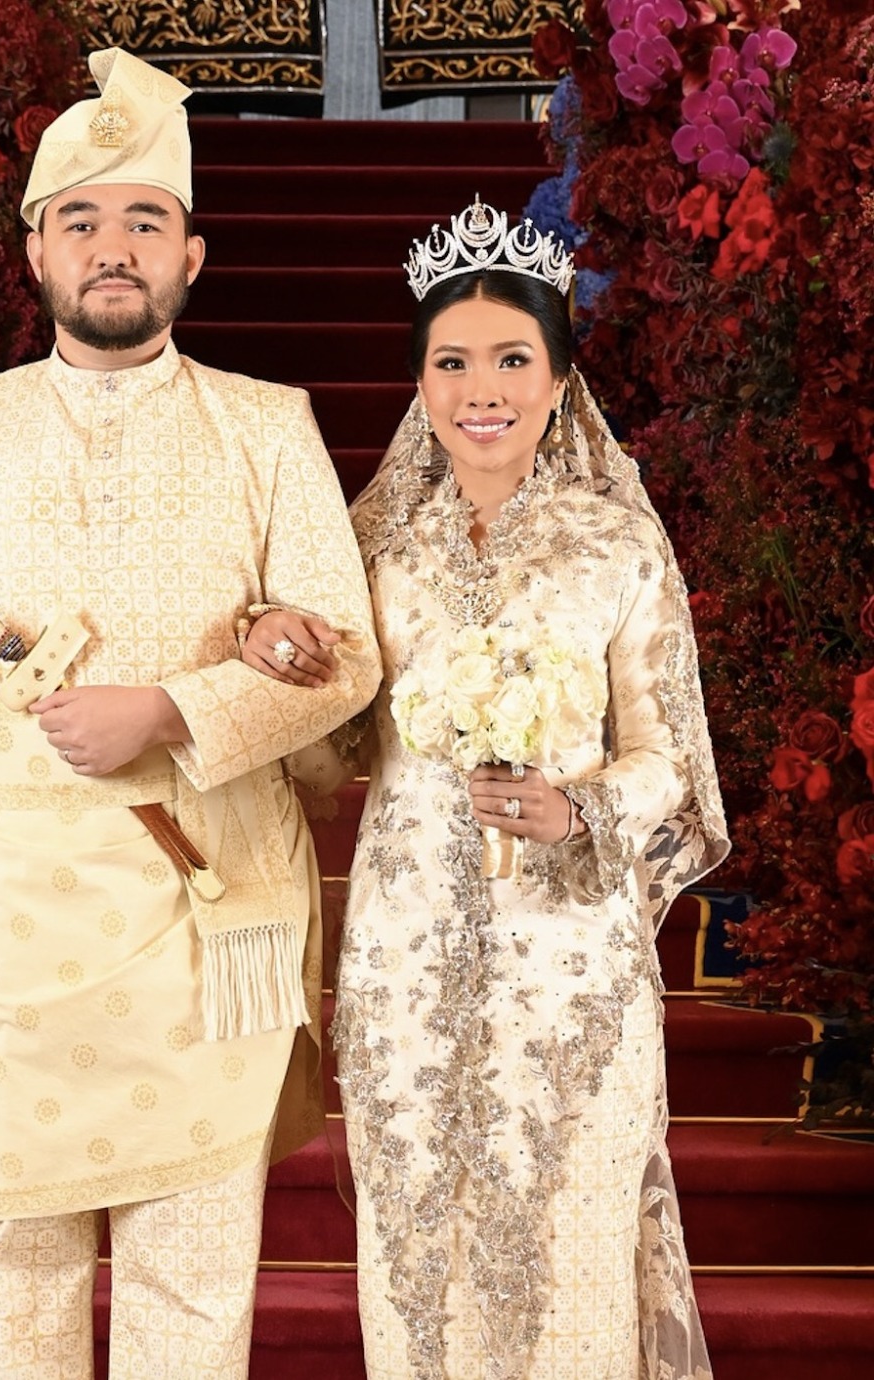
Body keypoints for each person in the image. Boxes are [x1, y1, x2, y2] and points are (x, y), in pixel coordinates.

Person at [0, 47, 380, 1380]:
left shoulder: (268, 426)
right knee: (22, 1271)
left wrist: (173, 710)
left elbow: (348, 659)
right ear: (37, 252)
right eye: (80, 220)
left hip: (206, 910)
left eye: (144, 220)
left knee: (194, 1276)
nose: (113, 247)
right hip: (8, 916)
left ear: (191, 255)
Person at [241, 200, 730, 1380]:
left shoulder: (617, 544)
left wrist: (578, 810)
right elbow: (326, 759)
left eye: (511, 360)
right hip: (403, 965)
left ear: (558, 380)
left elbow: (667, 756)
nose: (481, 390)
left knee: (565, 1265)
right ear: (418, 385)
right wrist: (278, 663)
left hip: (570, 968)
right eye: (450, 363)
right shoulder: (374, 550)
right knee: (417, 1266)